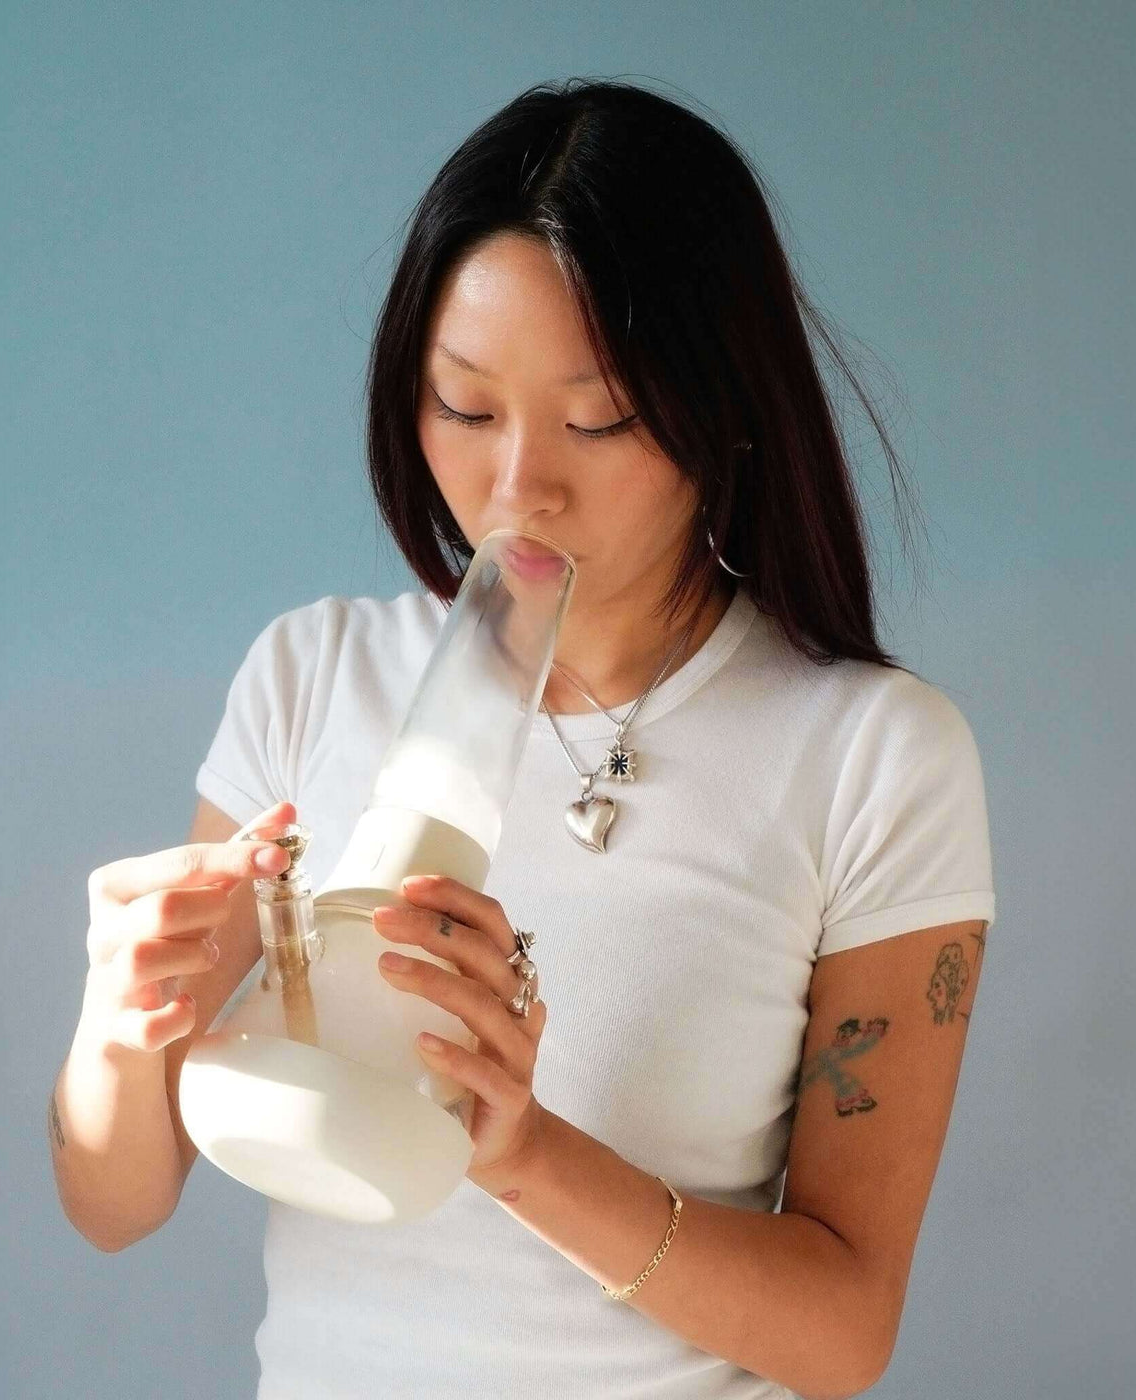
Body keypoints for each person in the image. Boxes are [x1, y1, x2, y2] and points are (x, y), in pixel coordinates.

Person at [50, 77, 997, 1400]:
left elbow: (844, 1333)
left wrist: (523, 1154)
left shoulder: (874, 759)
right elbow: (113, 1202)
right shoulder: (312, 677)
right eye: (466, 407)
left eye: (598, 417)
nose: (517, 488)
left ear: (724, 408)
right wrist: (121, 1012)